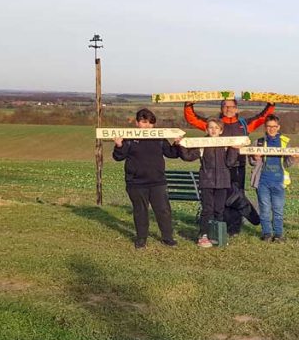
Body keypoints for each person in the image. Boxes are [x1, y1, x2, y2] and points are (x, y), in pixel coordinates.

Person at [111, 108, 184, 249]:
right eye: (144, 122)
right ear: (137, 123)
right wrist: (119, 145)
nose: (147, 126)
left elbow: (171, 154)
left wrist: (176, 144)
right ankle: (141, 239)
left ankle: (167, 238)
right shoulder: (129, 139)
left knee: (163, 211)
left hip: (157, 182)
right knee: (140, 211)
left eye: (150, 123)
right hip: (136, 183)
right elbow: (118, 157)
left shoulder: (159, 138)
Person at [184, 98, 273, 190]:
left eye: (231, 107)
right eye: (225, 106)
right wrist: (188, 105)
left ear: (236, 109)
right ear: (221, 108)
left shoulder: (245, 125)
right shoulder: (214, 124)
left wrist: (271, 105)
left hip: (238, 166)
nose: (229, 109)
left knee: (237, 195)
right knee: (221, 196)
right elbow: (192, 119)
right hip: (218, 168)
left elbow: (262, 118)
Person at [179, 119, 239, 248]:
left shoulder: (226, 144)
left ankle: (217, 234)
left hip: (223, 182)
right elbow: (188, 157)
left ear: (221, 131)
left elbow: (230, 163)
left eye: (216, 128)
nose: (213, 130)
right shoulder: (202, 144)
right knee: (207, 209)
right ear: (206, 130)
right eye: (211, 127)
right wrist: (181, 145)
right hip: (207, 181)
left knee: (219, 210)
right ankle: (203, 235)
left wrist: (233, 149)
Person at [250, 115, 297, 242]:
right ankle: (267, 234)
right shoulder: (258, 142)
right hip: (262, 181)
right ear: (265, 127)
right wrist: (255, 157)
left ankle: (278, 234)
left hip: (279, 181)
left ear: (278, 127)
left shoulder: (285, 142)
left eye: (274, 126)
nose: (271, 129)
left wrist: (292, 157)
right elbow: (252, 162)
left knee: (278, 210)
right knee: (264, 209)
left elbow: (287, 164)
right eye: (269, 126)